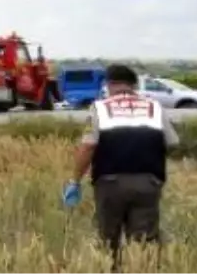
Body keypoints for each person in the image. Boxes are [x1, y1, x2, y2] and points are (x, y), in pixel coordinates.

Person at [62, 63, 179, 271]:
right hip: (148, 181)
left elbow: (88, 145)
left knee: (108, 242)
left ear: (109, 84)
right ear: (134, 85)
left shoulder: (100, 107)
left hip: (110, 183)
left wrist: (75, 181)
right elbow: (172, 142)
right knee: (144, 244)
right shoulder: (154, 107)